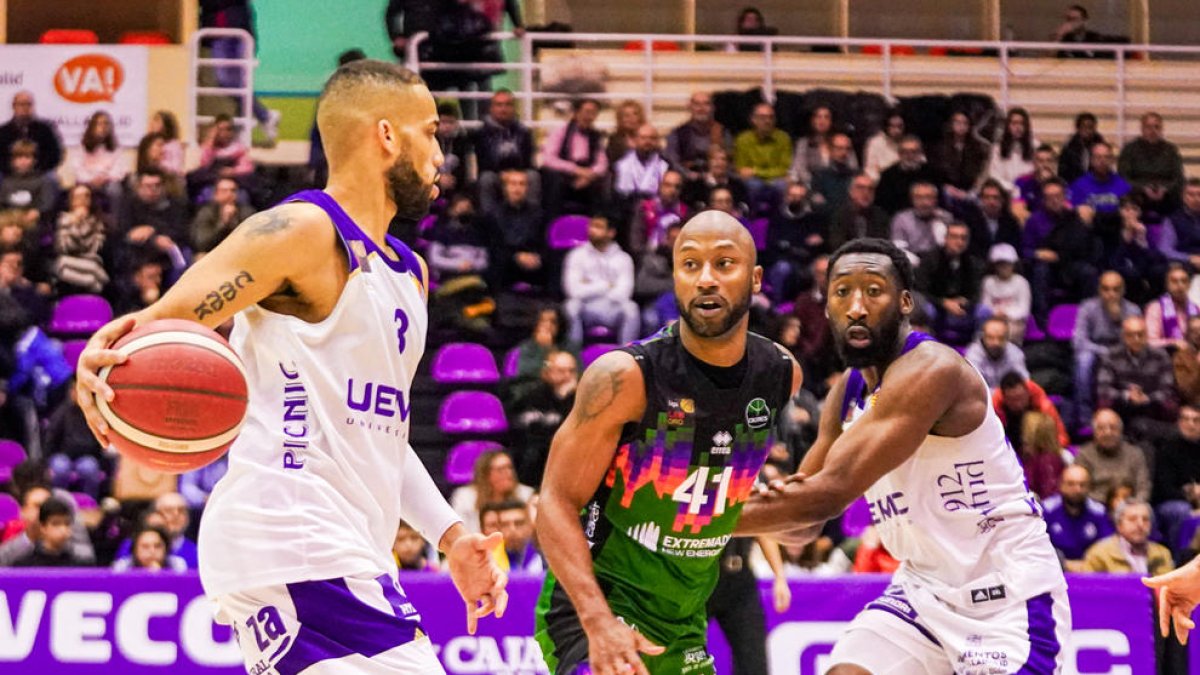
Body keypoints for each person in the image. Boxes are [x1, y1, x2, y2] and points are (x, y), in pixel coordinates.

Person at [74, 60, 507, 673]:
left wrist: (452, 536)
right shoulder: (304, 230)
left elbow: (381, 435)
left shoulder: (411, 273)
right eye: (431, 132)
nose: (441, 154)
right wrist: (101, 357)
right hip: (292, 532)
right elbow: (159, 327)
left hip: (335, 547)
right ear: (386, 135)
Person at [736, 237, 1070, 674]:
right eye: (842, 292)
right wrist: (731, 496)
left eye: (873, 291)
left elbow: (825, 496)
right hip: (922, 591)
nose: (856, 306)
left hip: (1005, 593)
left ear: (905, 301)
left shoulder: (935, 370)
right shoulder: (847, 392)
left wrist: (680, 515)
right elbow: (802, 526)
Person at [534, 211, 801, 674]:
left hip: (683, 621)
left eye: (724, 264)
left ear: (756, 279)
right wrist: (598, 622)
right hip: (599, 608)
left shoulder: (780, 374)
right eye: (690, 264)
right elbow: (555, 502)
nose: (706, 279)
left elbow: (720, 503)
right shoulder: (625, 377)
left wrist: (791, 512)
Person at [1073, 271, 1142, 421]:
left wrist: (1119, 320)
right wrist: (1105, 351)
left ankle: (1129, 413)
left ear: (1123, 291)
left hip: (1123, 353)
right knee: (1084, 360)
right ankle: (1085, 417)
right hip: (1095, 352)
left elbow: (1137, 341)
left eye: (1116, 289)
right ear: (1099, 290)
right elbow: (1078, 341)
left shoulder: (1133, 310)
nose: (1111, 294)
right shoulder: (1087, 307)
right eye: (1106, 289)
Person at [562, 214, 639, 345]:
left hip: (611, 309)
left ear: (611, 233)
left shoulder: (624, 258)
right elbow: (573, 291)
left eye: (598, 227)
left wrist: (588, 285)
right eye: (591, 226)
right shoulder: (576, 255)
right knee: (570, 306)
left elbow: (623, 294)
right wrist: (606, 285)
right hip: (585, 308)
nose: (592, 230)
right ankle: (573, 356)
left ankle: (626, 356)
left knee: (631, 309)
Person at [510, 350, 578, 487]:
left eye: (571, 371)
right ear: (548, 371)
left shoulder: (578, 400)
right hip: (529, 467)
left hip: (564, 466)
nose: (567, 376)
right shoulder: (530, 395)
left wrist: (565, 400)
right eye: (561, 371)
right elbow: (520, 431)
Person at [474, 89, 538, 216]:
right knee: (486, 179)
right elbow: (483, 163)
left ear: (514, 108)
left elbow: (528, 160)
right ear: (491, 108)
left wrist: (515, 174)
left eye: (508, 105)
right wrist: (503, 174)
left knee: (533, 176)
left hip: (519, 174)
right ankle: (489, 221)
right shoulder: (481, 133)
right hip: (495, 176)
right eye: (499, 105)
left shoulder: (524, 132)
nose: (503, 109)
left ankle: (533, 219)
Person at [540, 99, 607, 219]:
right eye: (586, 112)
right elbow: (548, 158)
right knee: (553, 178)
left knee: (602, 183)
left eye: (593, 113)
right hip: (564, 173)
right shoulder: (560, 131)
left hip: (586, 174)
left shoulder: (596, 136)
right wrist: (575, 170)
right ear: (576, 113)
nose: (589, 116)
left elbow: (602, 163)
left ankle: (596, 230)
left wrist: (590, 175)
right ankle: (553, 227)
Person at [1042, 464, 1114, 571]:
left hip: (1091, 571)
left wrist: (1089, 564)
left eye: (1082, 485)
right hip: (1053, 569)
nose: (1077, 489)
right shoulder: (1047, 510)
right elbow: (1039, 546)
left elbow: (1108, 545)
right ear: (1061, 485)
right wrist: (1064, 563)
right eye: (1071, 484)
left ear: (1089, 487)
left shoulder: (1099, 512)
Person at [450, 450, 535, 535]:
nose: (508, 473)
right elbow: (461, 532)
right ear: (485, 474)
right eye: (500, 469)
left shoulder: (526, 494)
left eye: (510, 468)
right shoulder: (465, 497)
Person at [1119, 112, 1185, 217]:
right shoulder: (1129, 150)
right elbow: (1123, 178)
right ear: (1142, 129)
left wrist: (1164, 189)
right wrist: (1143, 188)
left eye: (1156, 127)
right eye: (1148, 127)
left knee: (1181, 197)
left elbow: (1179, 179)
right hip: (1138, 195)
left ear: (1161, 129)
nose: (1152, 131)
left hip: (1166, 196)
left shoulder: (1170, 150)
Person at [1082, 499, 1173, 575]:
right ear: (1119, 525)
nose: (1140, 524)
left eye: (1145, 519)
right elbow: (1089, 591)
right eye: (1132, 519)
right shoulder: (1099, 554)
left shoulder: (1162, 554)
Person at [733, 103, 792, 206]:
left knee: (781, 185)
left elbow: (784, 169)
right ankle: (753, 218)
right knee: (754, 185)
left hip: (776, 180)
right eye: (762, 117)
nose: (767, 121)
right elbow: (741, 169)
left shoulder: (783, 138)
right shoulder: (743, 139)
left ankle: (780, 218)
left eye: (771, 117)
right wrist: (769, 173)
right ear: (753, 119)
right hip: (753, 181)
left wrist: (756, 171)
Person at [665, 92, 729, 181]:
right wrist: (689, 175)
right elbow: (672, 161)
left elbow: (730, 161)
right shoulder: (677, 134)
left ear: (712, 108)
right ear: (689, 107)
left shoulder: (723, 132)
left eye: (706, 104)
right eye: (697, 104)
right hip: (686, 181)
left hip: (716, 181)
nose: (701, 108)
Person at [875, 135, 941, 216]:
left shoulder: (932, 173)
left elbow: (939, 200)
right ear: (899, 154)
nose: (909, 156)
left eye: (913, 152)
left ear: (920, 153)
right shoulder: (888, 175)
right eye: (905, 152)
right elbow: (882, 203)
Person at [11, 496, 86, 567]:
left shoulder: (80, 565)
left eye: (67, 524)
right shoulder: (24, 566)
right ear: (43, 527)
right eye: (56, 524)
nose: (63, 529)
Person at [978, 244, 1031, 343]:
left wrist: (1006, 314)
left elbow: (1024, 309)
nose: (1004, 267)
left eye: (1007, 264)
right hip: (992, 320)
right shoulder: (988, 282)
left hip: (1014, 322)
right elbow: (985, 305)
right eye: (1000, 264)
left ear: (1014, 264)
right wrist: (994, 313)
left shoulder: (1022, 282)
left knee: (1004, 333)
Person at [0, 91, 63, 173]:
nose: (25, 108)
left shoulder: (45, 129)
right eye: (21, 104)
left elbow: (55, 154)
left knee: (52, 180)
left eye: (29, 104)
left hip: (41, 172)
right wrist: (13, 169)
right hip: (8, 173)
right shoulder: (3, 131)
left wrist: (38, 168)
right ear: (14, 106)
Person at [191, 176, 256, 255]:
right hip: (213, 252)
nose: (229, 194)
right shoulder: (206, 212)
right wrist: (224, 223)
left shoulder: (246, 211)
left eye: (233, 190)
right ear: (216, 195)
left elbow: (251, 239)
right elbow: (203, 243)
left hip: (239, 253)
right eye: (224, 191)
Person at [891, 181, 953, 260]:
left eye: (929, 197)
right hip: (912, 263)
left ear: (935, 200)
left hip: (940, 263)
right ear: (912, 200)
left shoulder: (945, 218)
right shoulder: (901, 219)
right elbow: (899, 249)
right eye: (919, 197)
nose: (924, 202)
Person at [932, 111, 989, 196]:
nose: (961, 126)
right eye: (958, 122)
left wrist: (971, 191)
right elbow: (936, 173)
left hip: (970, 190)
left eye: (965, 123)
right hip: (947, 189)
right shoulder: (941, 147)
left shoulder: (977, 148)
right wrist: (947, 187)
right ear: (951, 125)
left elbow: (980, 174)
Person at [827, 173, 889, 252]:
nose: (866, 193)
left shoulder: (881, 216)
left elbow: (883, 245)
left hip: (873, 259)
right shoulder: (840, 215)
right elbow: (837, 245)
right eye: (860, 188)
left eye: (870, 189)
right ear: (851, 191)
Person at [1145, 263, 1199, 350]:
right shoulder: (1155, 308)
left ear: (1189, 285)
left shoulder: (1196, 309)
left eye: (1184, 281)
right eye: (1174, 281)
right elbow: (1150, 341)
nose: (1180, 286)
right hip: (1166, 355)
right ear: (1167, 285)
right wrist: (1173, 343)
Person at [480, 499, 543, 573]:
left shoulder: (545, 556)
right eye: (505, 524)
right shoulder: (487, 560)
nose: (512, 530)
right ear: (499, 528)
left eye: (519, 523)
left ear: (529, 525)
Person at [965, 317, 1028, 389]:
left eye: (1001, 338)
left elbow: (1023, 382)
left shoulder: (1015, 353)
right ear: (983, 337)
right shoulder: (973, 355)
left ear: (1007, 338)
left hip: (1009, 398)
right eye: (991, 337)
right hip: (983, 398)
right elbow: (974, 386)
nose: (996, 343)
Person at [987, 108, 1037, 196]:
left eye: (1021, 123)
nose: (1018, 127)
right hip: (1004, 193)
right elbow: (994, 176)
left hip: (1028, 193)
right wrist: (1012, 189)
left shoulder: (1035, 146)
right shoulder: (998, 148)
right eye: (1014, 123)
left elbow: (1036, 174)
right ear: (1008, 126)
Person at [613, 124, 669, 202]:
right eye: (643, 138)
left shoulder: (665, 165)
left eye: (652, 138)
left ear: (657, 142)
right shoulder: (622, 165)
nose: (648, 141)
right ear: (635, 140)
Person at [1158, 178, 1200, 268]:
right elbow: (1165, 249)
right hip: (1185, 263)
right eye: (1191, 195)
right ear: (1183, 197)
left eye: (1199, 194)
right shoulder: (1172, 219)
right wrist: (1189, 258)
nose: (1196, 199)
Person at [112, 525, 188, 572]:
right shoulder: (123, 567)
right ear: (135, 550)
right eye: (145, 547)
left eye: (157, 546)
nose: (152, 551)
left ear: (166, 549)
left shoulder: (177, 565)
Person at [1058, 112, 1103, 185]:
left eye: (1090, 127)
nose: (1088, 131)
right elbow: (1062, 173)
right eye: (1084, 127)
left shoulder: (1101, 147)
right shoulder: (1069, 148)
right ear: (1078, 128)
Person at [863, 110, 905, 183]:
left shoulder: (909, 142)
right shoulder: (875, 142)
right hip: (881, 183)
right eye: (893, 126)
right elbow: (869, 170)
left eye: (899, 126)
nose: (896, 130)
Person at [1174, 315, 1200, 405]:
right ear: (1187, 334)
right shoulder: (1180, 357)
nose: (1199, 334)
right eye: (1194, 331)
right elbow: (1185, 390)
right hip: (1193, 404)